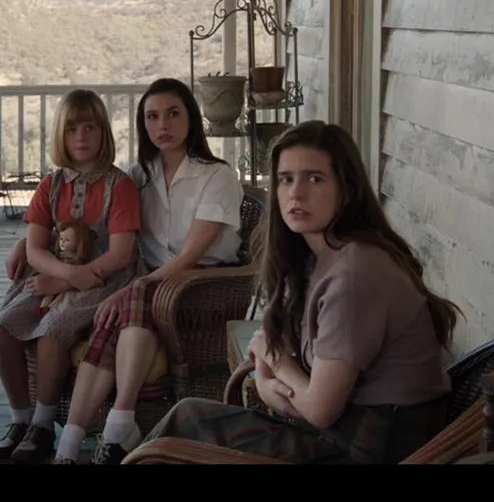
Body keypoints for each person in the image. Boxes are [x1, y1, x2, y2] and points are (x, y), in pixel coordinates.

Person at [135, 120, 459, 464]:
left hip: (375, 446)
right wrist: (268, 379)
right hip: (340, 430)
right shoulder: (319, 258)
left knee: (187, 425)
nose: (296, 193)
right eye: (286, 179)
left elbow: (317, 407)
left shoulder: (355, 274)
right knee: (189, 417)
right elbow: (272, 358)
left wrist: (275, 362)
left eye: (315, 179)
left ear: (347, 190)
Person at [43, 78, 246, 464]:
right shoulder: (139, 176)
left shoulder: (216, 175)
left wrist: (135, 286)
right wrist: (27, 245)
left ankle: (112, 425)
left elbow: (191, 255)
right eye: (152, 117)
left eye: (173, 114)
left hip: (203, 285)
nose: (162, 124)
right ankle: (77, 440)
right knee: (113, 321)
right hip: (151, 285)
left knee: (132, 296)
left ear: (191, 119)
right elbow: (94, 223)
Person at [0, 89, 141, 463]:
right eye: (72, 129)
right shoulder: (52, 184)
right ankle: (20, 418)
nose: (81, 137)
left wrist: (71, 280)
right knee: (4, 329)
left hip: (104, 277)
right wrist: (65, 275)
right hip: (56, 271)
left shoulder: (119, 185)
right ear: (61, 134)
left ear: (103, 132)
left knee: (53, 330)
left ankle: (43, 425)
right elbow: (35, 248)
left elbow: (120, 253)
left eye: (90, 128)